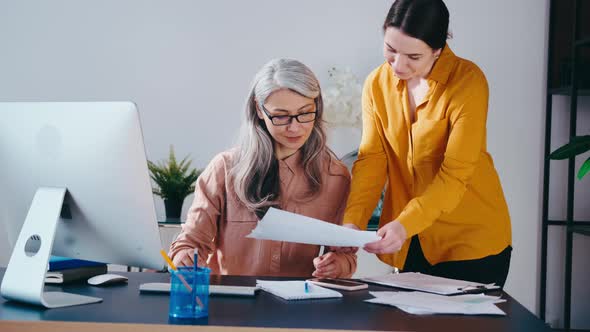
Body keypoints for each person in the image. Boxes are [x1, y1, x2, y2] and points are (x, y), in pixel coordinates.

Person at [339, 0, 512, 286]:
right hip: (409, 244)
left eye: (413, 56)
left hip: (469, 241)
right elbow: (372, 160)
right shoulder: (375, 84)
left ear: (437, 50)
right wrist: (352, 224)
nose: (398, 65)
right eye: (390, 50)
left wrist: (406, 224)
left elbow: (455, 175)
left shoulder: (468, 82)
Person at [169, 58, 356, 278]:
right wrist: (185, 255)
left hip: (301, 307)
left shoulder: (336, 176)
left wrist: (338, 265)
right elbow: (189, 242)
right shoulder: (224, 169)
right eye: (281, 116)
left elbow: (345, 256)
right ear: (259, 109)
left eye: (305, 113)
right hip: (234, 305)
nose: (295, 127)